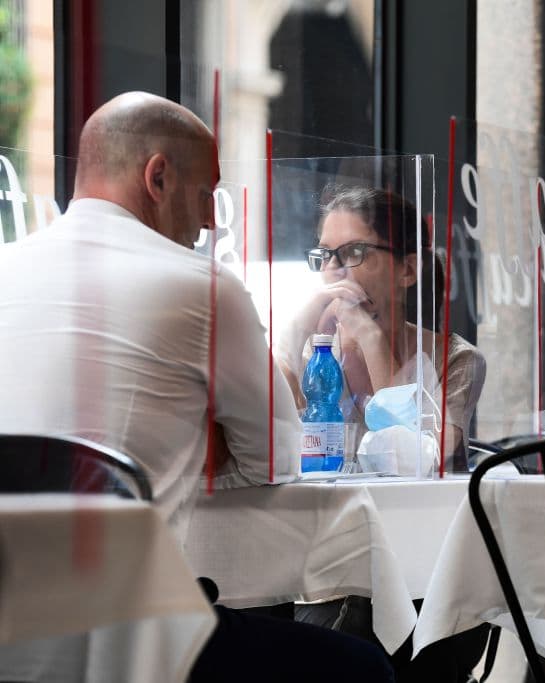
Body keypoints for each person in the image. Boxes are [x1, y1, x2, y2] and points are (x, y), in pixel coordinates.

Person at [0, 92, 393, 682]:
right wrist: (196, 440)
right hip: (127, 638)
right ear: (157, 176)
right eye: (207, 192)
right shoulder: (204, 287)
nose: (211, 219)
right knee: (362, 669)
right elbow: (277, 457)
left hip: (9, 632)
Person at [276, 186, 486, 470]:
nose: (333, 267)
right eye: (325, 254)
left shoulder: (455, 359)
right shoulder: (312, 356)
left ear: (407, 270)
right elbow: (263, 447)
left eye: (354, 251)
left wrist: (370, 338)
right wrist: (296, 329)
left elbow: (417, 463)